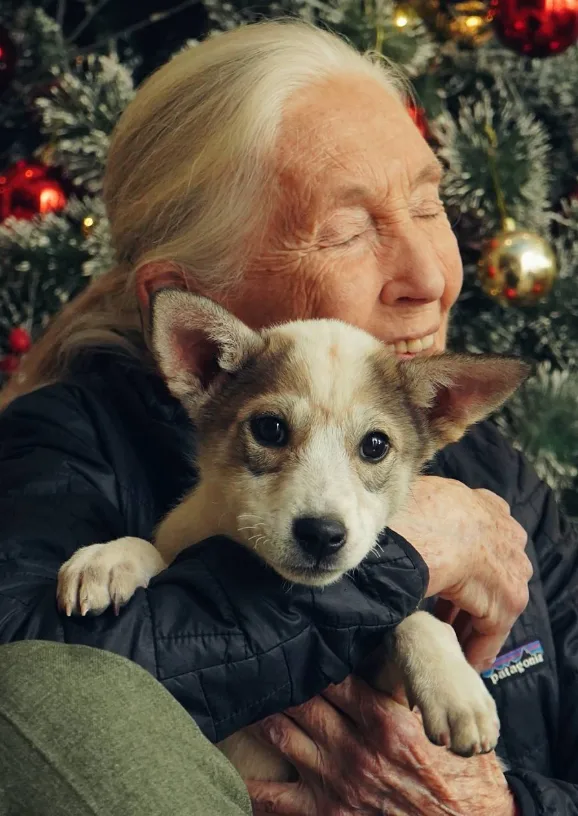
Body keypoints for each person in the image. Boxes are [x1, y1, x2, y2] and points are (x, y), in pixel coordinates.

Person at [0, 18, 574, 816]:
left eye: (429, 203)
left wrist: (503, 807)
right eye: (349, 232)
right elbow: (34, 706)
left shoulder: (497, 482)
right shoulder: (68, 446)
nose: (429, 278)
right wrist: (408, 550)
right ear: (199, 320)